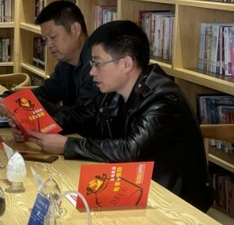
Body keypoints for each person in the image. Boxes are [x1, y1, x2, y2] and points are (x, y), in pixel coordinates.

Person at [22, 20, 213, 212]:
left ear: (126, 63)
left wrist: (66, 145)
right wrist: (33, 125)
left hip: (174, 202)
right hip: (135, 186)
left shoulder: (163, 100)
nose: (92, 72)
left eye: (97, 64)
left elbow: (130, 150)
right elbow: (83, 118)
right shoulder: (115, 90)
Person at [0, 0, 98, 126]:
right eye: (45, 40)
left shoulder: (96, 66)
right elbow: (44, 93)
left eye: (53, 37)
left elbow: (81, 117)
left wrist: (23, 108)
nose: (49, 45)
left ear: (75, 30)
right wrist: (3, 100)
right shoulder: (65, 63)